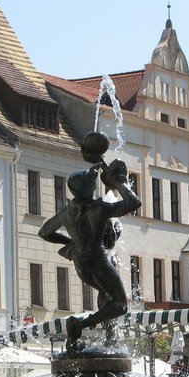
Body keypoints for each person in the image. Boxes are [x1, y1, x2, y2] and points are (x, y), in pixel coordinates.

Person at [38, 132, 141, 352]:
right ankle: (82, 324)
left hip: (80, 264)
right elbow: (134, 202)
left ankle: (109, 339)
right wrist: (118, 182)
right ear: (88, 189)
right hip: (98, 259)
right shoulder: (99, 208)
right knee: (120, 304)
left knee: (105, 295)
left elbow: (44, 232)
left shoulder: (67, 211)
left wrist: (71, 243)